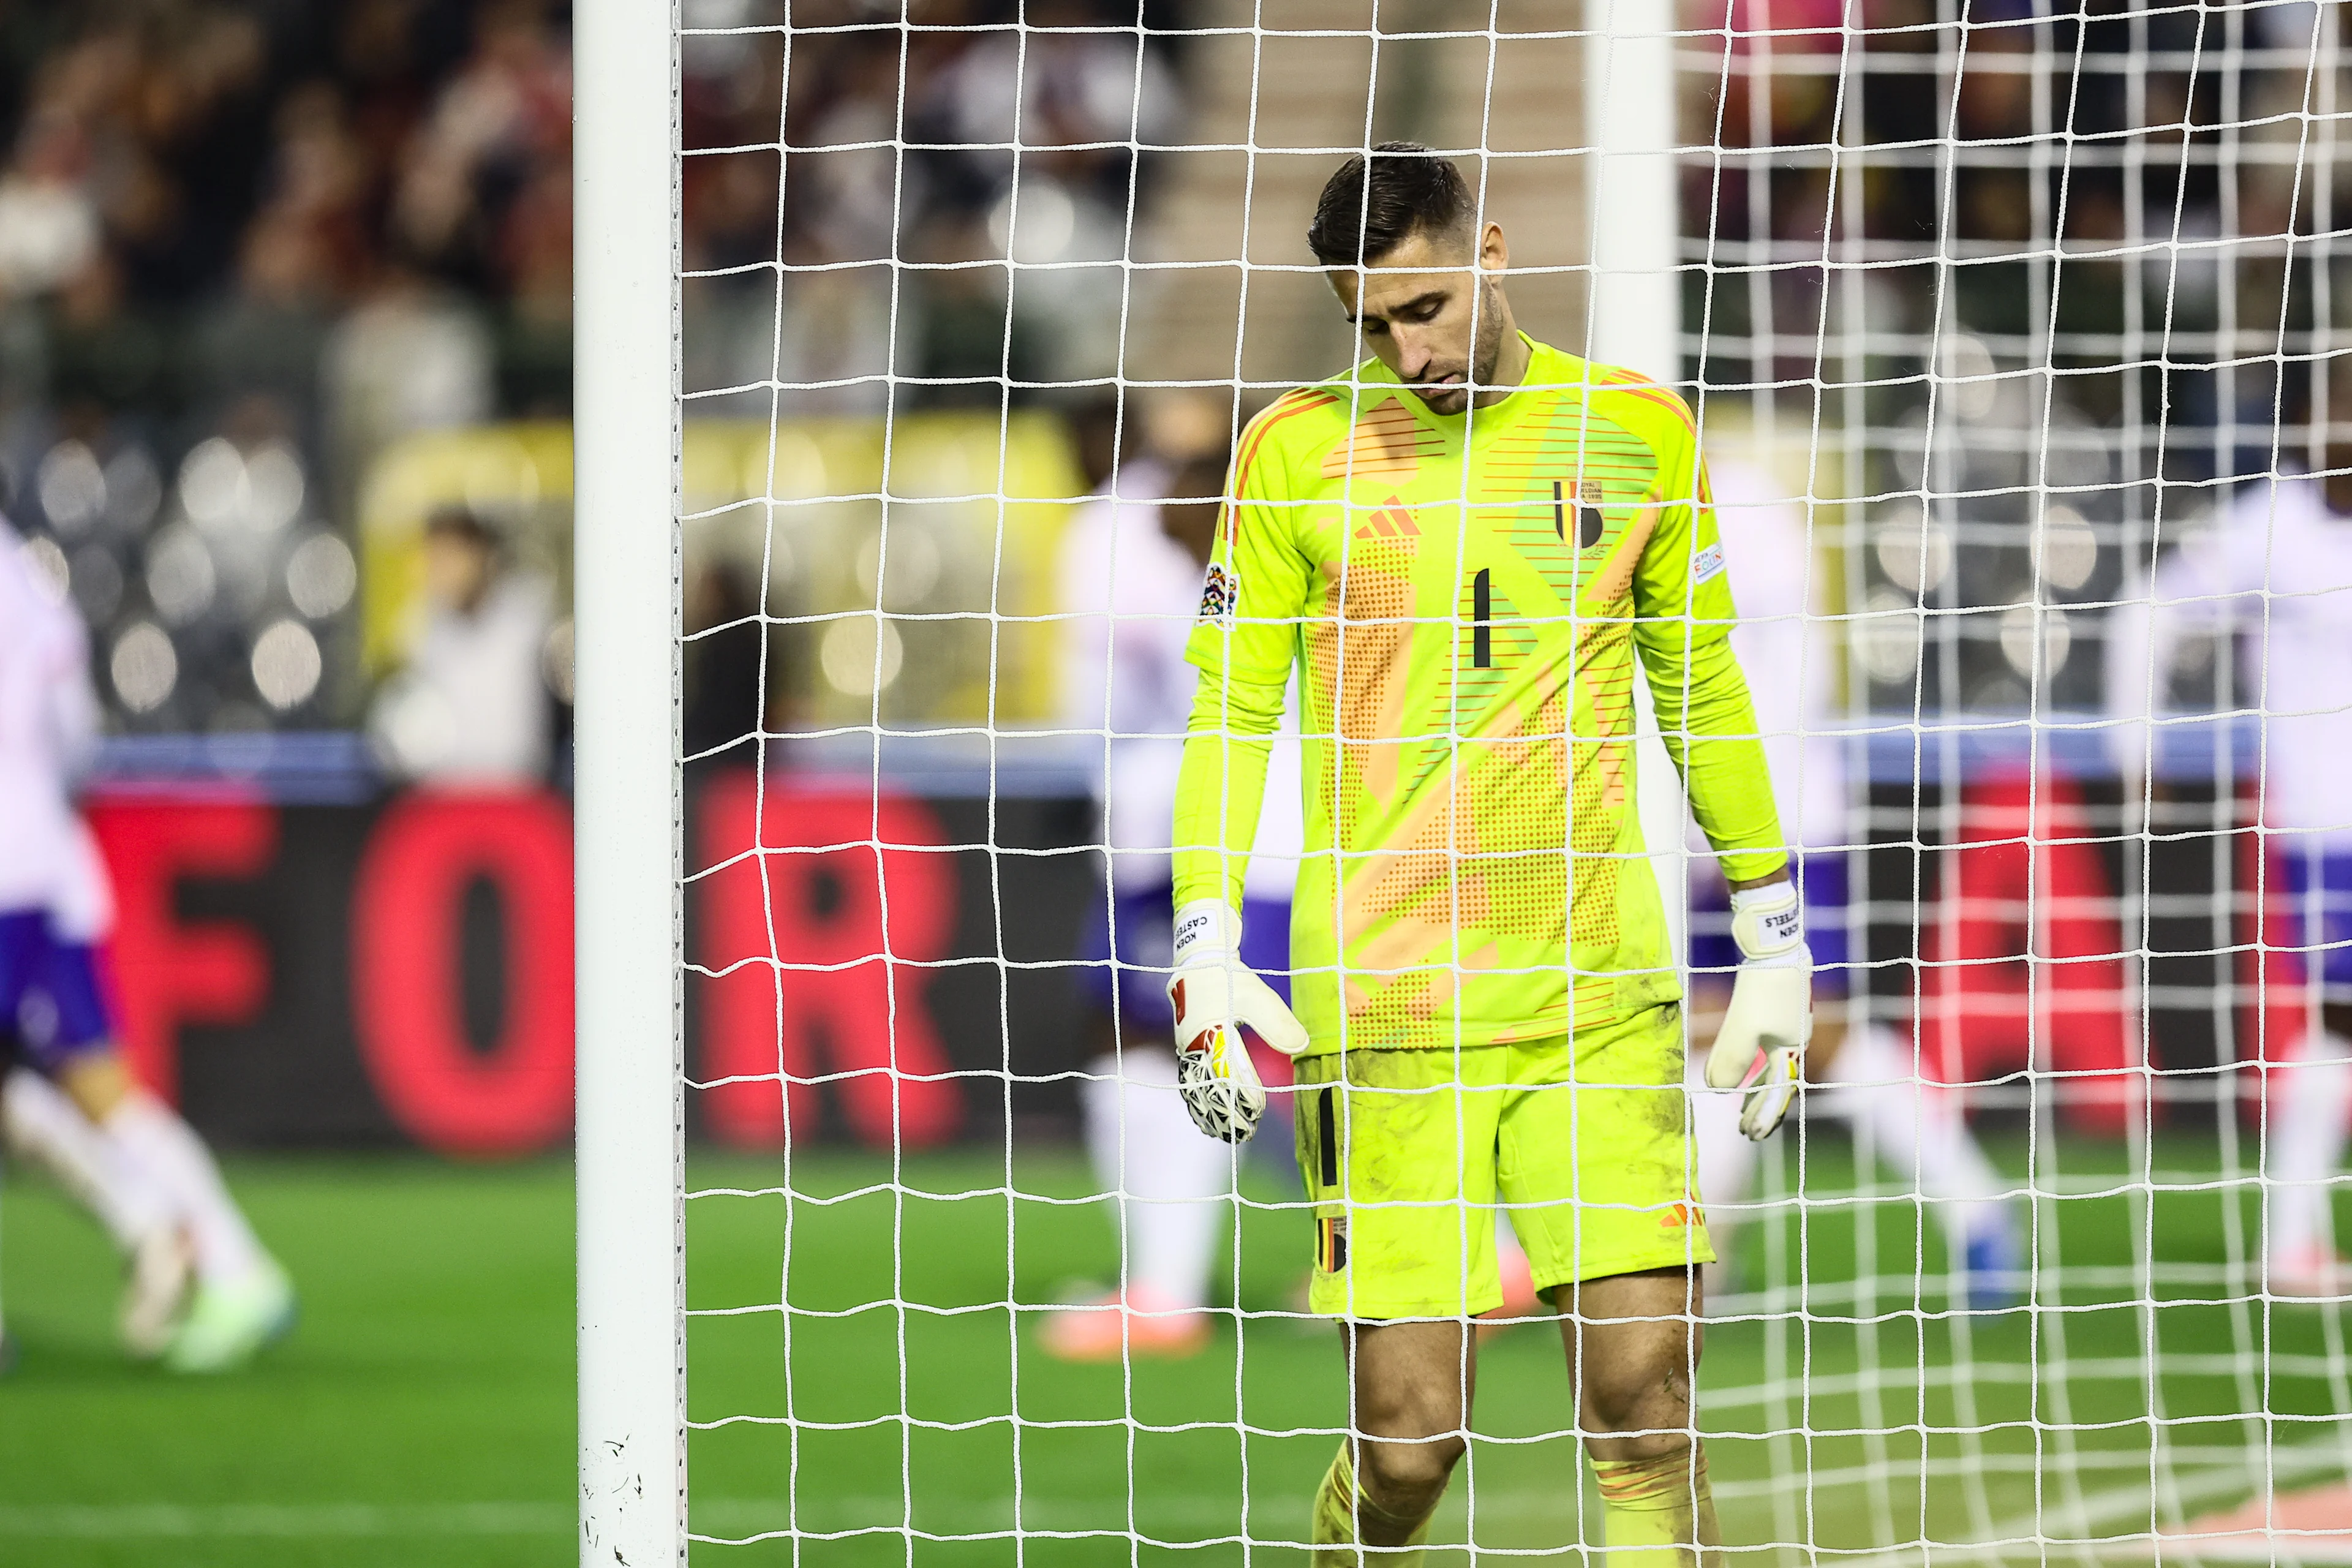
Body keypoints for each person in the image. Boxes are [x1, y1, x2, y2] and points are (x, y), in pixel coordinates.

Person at [1163, 144, 1810, 1566]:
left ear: (1495, 250)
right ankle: (1345, 1544)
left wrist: (1771, 926)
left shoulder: (1634, 429)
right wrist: (1204, 939)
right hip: (1387, 1011)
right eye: (1373, 323)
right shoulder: (1291, 451)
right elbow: (1229, 711)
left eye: (1427, 305)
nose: (1409, 348)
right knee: (1410, 1444)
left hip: (1591, 990)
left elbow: (1697, 682)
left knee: (1643, 1405)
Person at [1683, 457, 2019, 1306]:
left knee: (1812, 1034)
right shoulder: (1620, 490)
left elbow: (1775, 669)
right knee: (1704, 1033)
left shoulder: (1740, 503)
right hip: (1685, 825)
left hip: (1779, 817)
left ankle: (1977, 1211)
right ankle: (1702, 1251)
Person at [0, 519, 293, 1371]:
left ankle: (223, 1262)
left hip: (12, 868)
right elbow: (73, 726)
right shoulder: (23, 564)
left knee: (94, 1089)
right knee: (68, 1089)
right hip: (39, 854)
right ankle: (193, 1245)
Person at [1040, 435, 1310, 1360]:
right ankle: (1158, 1282)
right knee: (1130, 1032)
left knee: (1233, 1049)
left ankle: (1165, 1293)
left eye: (1184, 492)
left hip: (1260, 856)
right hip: (1173, 848)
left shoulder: (1285, 587)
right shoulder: (1189, 587)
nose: (1159, 511)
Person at [2106, 380, 2352, 1298]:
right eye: (2330, 412)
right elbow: (2149, 609)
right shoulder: (2267, 529)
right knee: (2337, 1020)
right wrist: (2138, 747)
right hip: (2329, 823)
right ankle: (2292, 1240)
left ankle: (2294, 1238)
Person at [370, 505, 555, 783]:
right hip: (447, 795)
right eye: (434, 557)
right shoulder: (418, 628)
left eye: (449, 556)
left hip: (520, 792)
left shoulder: (528, 615)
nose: (438, 569)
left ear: (478, 554)